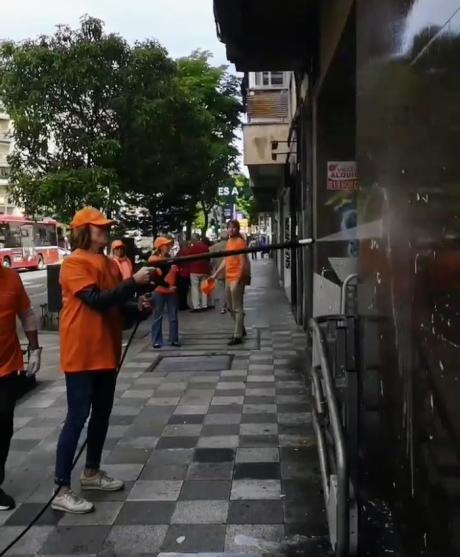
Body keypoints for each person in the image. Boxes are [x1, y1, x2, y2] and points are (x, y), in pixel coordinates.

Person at [53, 207, 155, 514]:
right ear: (84, 230)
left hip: (106, 352)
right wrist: (133, 283)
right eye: (99, 227)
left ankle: (92, 473)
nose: (105, 230)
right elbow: (96, 301)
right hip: (81, 352)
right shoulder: (73, 264)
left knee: (102, 414)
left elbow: (115, 303)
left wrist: (138, 305)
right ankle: (61, 487)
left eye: (106, 226)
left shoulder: (109, 263)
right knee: (77, 416)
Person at [0, 266, 41, 510]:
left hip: (6, 365)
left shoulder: (11, 278)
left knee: (3, 423)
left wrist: (35, 348)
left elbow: (26, 313)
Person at [212, 220, 251, 345]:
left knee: (237, 307)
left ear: (237, 229)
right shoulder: (229, 242)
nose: (231, 230)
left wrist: (238, 279)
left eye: (234, 228)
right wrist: (216, 274)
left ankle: (237, 335)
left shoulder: (240, 242)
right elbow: (226, 260)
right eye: (229, 227)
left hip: (236, 279)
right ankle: (240, 328)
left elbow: (243, 262)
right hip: (229, 277)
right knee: (229, 306)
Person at [149, 237, 180, 349]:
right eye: (166, 245)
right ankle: (156, 340)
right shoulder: (153, 260)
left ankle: (174, 339)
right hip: (159, 291)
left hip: (171, 291)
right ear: (160, 247)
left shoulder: (170, 260)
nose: (168, 247)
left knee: (173, 317)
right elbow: (156, 279)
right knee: (158, 316)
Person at [188, 234, 211, 312]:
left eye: (192, 239)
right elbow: (208, 258)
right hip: (204, 270)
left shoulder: (192, 248)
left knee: (195, 288)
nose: (191, 241)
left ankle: (197, 306)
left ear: (194, 239)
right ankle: (205, 305)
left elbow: (189, 258)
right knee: (204, 288)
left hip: (194, 270)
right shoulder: (205, 247)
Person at [209, 231, 228, 314]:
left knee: (221, 290)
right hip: (230, 270)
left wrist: (213, 269)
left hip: (219, 271)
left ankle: (222, 307)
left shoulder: (214, 247)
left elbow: (211, 260)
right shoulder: (231, 245)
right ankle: (229, 305)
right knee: (229, 289)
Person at [176, 240, 191, 311]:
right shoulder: (187, 252)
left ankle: (182, 304)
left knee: (182, 291)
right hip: (185, 274)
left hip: (182, 274)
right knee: (184, 291)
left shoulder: (180, 253)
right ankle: (183, 304)